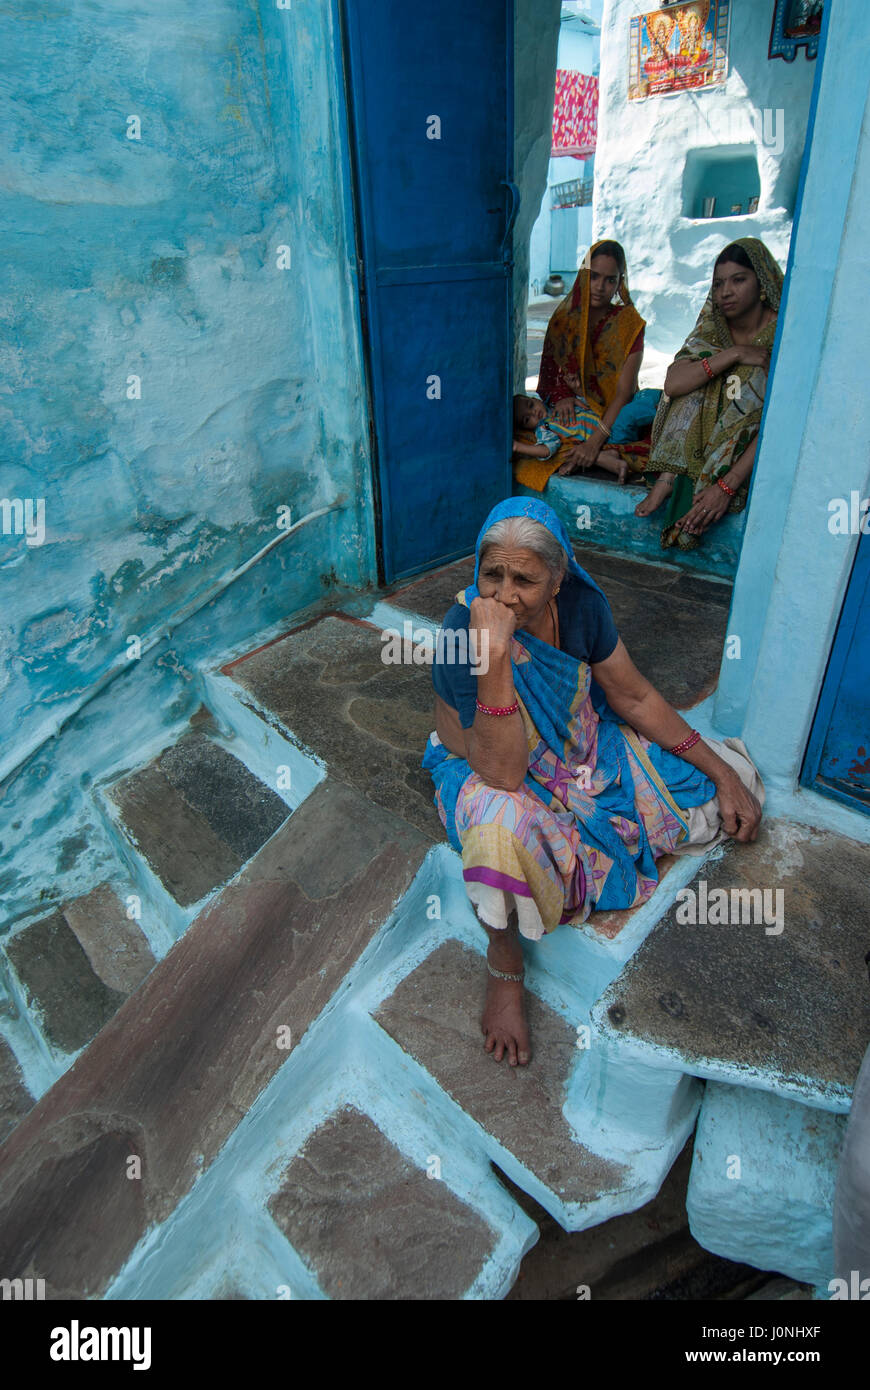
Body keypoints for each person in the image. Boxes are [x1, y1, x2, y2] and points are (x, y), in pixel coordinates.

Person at [423, 497, 763, 1067]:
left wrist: (722, 772)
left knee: (725, 788)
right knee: (497, 828)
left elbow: (633, 696)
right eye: (492, 574)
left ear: (558, 580)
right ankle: (505, 963)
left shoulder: (582, 606)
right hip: (485, 763)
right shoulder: (464, 630)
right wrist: (495, 657)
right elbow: (501, 772)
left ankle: (586, 842)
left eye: (524, 580)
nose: (503, 595)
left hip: (576, 750)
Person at [636, 238, 783, 552]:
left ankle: (697, 486)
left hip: (751, 451)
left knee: (749, 378)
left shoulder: (783, 333)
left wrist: (727, 485)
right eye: (718, 284)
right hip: (704, 438)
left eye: (738, 280)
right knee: (695, 378)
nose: (726, 292)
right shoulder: (713, 330)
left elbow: (782, 421)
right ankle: (669, 477)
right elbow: (673, 384)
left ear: (762, 282)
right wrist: (735, 353)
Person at [515, 240, 654, 491]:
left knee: (631, 434)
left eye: (610, 280)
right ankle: (598, 456)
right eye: (594, 277)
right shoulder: (564, 321)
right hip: (575, 414)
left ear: (620, 282)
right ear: (583, 276)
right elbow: (550, 379)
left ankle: (596, 453)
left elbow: (624, 393)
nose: (601, 287)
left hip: (612, 415)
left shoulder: (629, 324)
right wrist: (563, 396)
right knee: (531, 435)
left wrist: (594, 443)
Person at [512, 394, 628, 481]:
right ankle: (616, 464)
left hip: (610, 421)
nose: (534, 413)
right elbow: (546, 450)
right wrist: (518, 447)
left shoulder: (555, 404)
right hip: (609, 436)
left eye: (531, 405)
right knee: (632, 413)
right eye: (527, 419)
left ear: (535, 399)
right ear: (526, 428)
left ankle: (611, 456)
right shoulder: (544, 428)